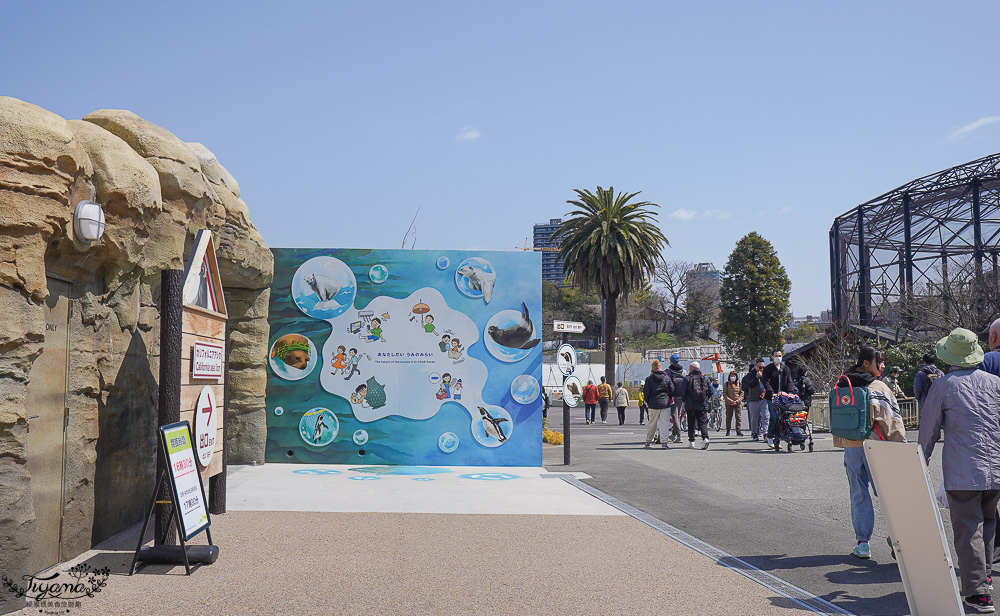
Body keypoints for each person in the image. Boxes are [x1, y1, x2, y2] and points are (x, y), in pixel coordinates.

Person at [919, 328, 1000, 613]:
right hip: (995, 469)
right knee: (987, 526)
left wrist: (921, 459)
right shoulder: (995, 383)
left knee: (968, 530)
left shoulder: (943, 386)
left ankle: (979, 594)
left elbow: (928, 428)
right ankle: (984, 579)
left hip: (963, 469)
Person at [834, 345, 906, 560]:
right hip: (878, 447)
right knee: (888, 495)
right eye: (879, 362)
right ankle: (898, 539)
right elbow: (891, 420)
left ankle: (863, 543)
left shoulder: (843, 383)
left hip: (852, 447)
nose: (883, 366)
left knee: (859, 493)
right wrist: (901, 446)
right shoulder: (879, 387)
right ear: (866, 363)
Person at [761, 350, 795, 448]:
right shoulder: (768, 369)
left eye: (780, 355)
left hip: (783, 397)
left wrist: (790, 392)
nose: (778, 357)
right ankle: (770, 437)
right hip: (772, 397)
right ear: (772, 357)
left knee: (783, 417)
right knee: (774, 416)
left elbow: (789, 381)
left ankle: (779, 438)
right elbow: (766, 382)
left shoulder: (785, 368)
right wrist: (772, 393)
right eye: (776, 356)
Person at [679, 361, 712, 449]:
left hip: (690, 405)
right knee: (703, 422)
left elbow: (682, 392)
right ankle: (705, 438)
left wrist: (686, 400)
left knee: (691, 422)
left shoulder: (687, 378)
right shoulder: (704, 378)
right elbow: (711, 390)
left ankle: (692, 441)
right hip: (702, 404)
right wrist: (705, 399)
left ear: (691, 369)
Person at [643, 360, 674, 449]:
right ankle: (664, 442)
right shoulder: (667, 378)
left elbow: (646, 393)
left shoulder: (649, 379)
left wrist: (648, 402)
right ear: (660, 367)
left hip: (653, 404)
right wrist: (669, 399)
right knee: (664, 424)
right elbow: (672, 390)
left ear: (653, 368)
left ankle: (649, 441)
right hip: (665, 403)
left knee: (652, 423)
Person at [742, 358, 767, 441]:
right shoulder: (750, 375)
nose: (762, 369)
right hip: (753, 399)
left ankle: (765, 433)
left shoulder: (766, 373)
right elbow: (750, 385)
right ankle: (754, 432)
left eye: (763, 367)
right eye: (760, 367)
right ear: (755, 366)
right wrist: (757, 377)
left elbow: (768, 383)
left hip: (764, 398)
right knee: (754, 418)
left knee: (765, 417)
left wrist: (763, 377)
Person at [666, 355, 686, 443]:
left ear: (671, 361)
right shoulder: (683, 371)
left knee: (675, 416)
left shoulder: (668, 372)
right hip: (681, 396)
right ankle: (673, 435)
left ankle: (679, 436)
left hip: (672, 396)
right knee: (677, 416)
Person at [723, 370, 744, 436]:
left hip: (738, 403)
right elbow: (724, 393)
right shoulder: (726, 384)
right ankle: (728, 430)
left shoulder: (739, 384)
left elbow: (742, 393)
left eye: (734, 376)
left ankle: (738, 430)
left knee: (738, 417)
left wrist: (738, 401)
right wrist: (730, 400)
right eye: (731, 376)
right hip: (729, 403)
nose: (733, 377)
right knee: (729, 417)